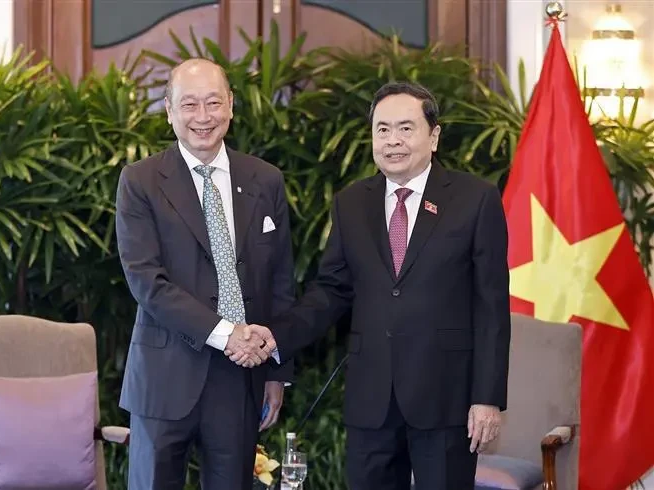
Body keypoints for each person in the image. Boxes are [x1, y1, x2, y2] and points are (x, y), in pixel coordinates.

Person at [228, 82, 511, 490]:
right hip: (371, 396)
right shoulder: (351, 202)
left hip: (446, 395)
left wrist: (487, 397)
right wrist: (275, 336)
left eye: (405, 128)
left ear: (433, 136)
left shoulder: (475, 199)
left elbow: (491, 306)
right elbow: (332, 291)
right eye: (382, 129)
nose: (392, 141)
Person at [115, 58, 294, 490]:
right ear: (170, 109)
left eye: (213, 102)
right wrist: (225, 333)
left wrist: (276, 369)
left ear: (231, 105)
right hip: (165, 376)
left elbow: (280, 280)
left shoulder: (265, 180)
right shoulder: (140, 181)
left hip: (241, 380)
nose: (203, 116)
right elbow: (147, 282)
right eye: (189, 104)